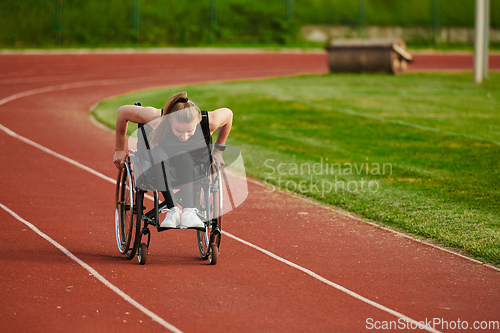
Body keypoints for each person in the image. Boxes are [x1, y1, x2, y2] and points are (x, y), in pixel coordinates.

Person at [113, 92, 233, 228]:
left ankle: (188, 212)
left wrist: (218, 151)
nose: (184, 136)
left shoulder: (209, 121)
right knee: (158, 153)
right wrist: (119, 150)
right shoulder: (157, 118)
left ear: (198, 121)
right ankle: (173, 209)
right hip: (161, 162)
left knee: (183, 154)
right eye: (179, 131)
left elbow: (228, 114)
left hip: (192, 164)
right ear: (169, 120)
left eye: (190, 131)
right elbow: (123, 112)